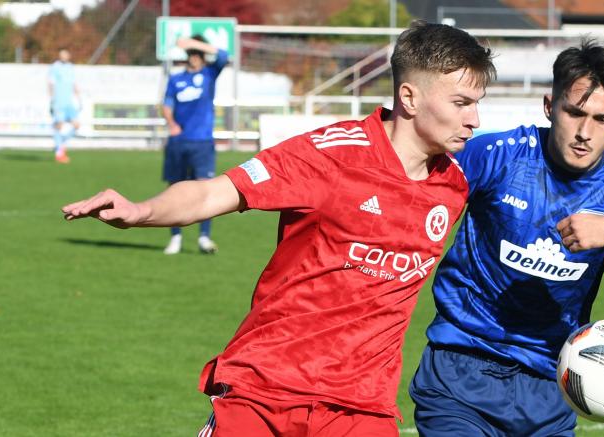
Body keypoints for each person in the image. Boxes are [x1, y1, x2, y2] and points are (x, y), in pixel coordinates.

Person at [61, 22, 495, 436]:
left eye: (477, 103)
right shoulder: (330, 155)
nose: (474, 119)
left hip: (361, 408)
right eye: (461, 103)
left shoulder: (455, 183)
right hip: (264, 389)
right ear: (409, 97)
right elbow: (216, 192)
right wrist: (141, 211)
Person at [408, 41, 604, 436]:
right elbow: (412, 205)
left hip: (552, 387)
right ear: (550, 106)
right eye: (574, 113)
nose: (585, 132)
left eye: (602, 119)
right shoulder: (497, 155)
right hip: (460, 369)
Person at [161, 35, 228, 255]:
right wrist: (171, 123)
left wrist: (194, 43)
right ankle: (175, 238)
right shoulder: (175, 80)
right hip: (178, 143)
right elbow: (167, 105)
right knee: (174, 190)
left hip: (202, 143)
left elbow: (224, 55)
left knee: (204, 190)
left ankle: (204, 238)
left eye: (198, 54)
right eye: (191, 54)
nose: (195, 58)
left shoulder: (209, 75)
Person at [49, 48, 80, 164]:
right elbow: (50, 84)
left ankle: (60, 144)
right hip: (59, 102)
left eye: (66, 54)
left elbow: (74, 83)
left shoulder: (70, 67)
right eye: (62, 54)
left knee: (76, 125)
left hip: (69, 102)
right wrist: (52, 100)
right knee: (59, 125)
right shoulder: (55, 67)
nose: (64, 56)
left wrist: (79, 97)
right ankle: (59, 154)